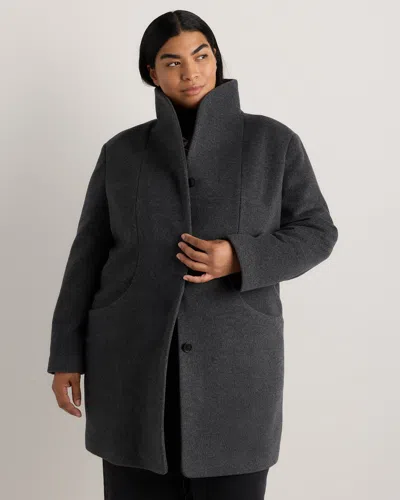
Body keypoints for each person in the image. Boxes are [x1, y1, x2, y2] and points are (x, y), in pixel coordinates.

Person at [48, 9, 338, 500]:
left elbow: (317, 232)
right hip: (130, 364)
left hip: (235, 367)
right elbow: (88, 257)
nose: (191, 72)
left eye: (201, 56)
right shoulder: (121, 152)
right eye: (173, 62)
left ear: (217, 58)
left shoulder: (273, 142)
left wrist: (240, 257)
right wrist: (66, 356)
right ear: (151, 73)